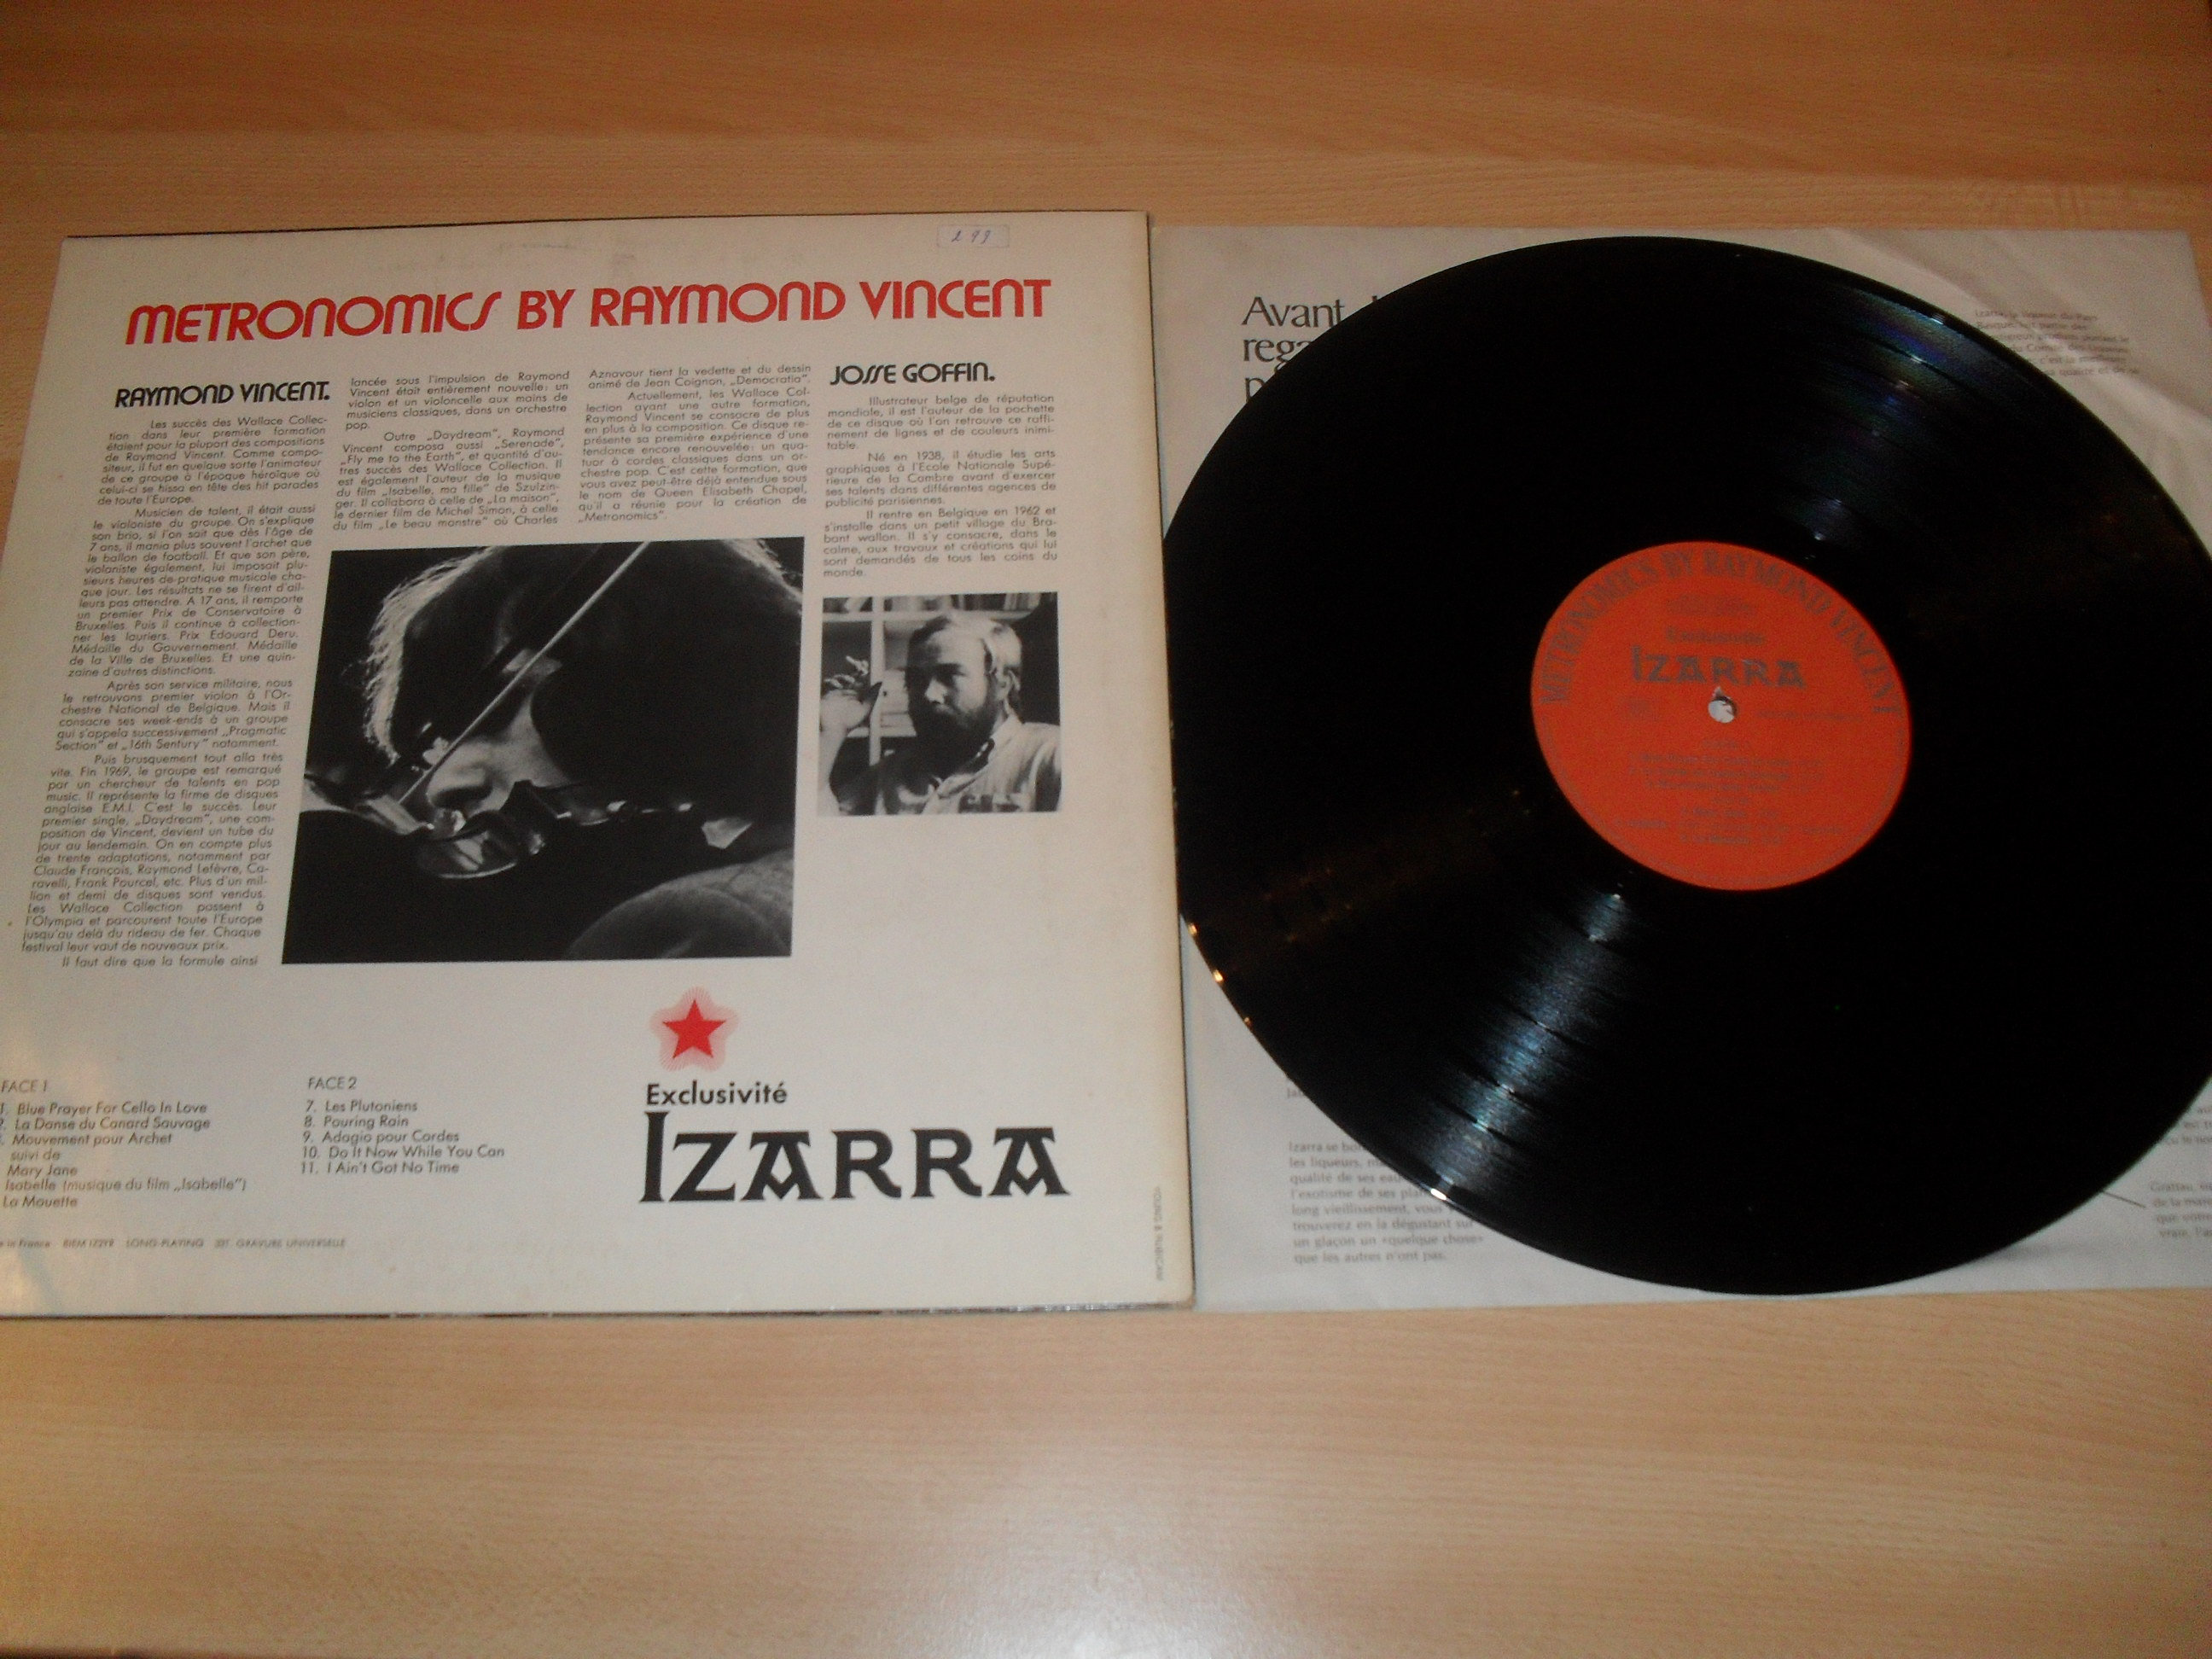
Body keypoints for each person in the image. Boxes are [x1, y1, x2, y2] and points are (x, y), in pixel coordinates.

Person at [343, 537, 802, 958]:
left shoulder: (703, 921)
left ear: (653, 705)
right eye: (436, 747)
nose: (441, 785)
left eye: (487, 714)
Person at [821, 611, 1061, 814]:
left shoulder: (1053, 756)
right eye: (916, 679)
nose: (928, 695)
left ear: (1003, 683)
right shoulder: (884, 777)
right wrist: (830, 732)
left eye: (949, 676)